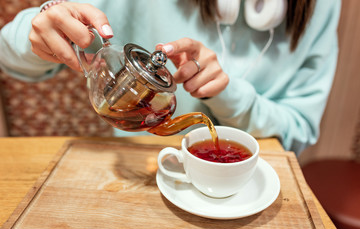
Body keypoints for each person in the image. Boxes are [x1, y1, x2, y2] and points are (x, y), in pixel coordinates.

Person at [0, 0, 341, 155]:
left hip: (249, 180)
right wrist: (42, 23)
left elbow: (300, 130)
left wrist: (227, 93)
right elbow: (8, 54)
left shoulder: (322, 7)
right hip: (140, 166)